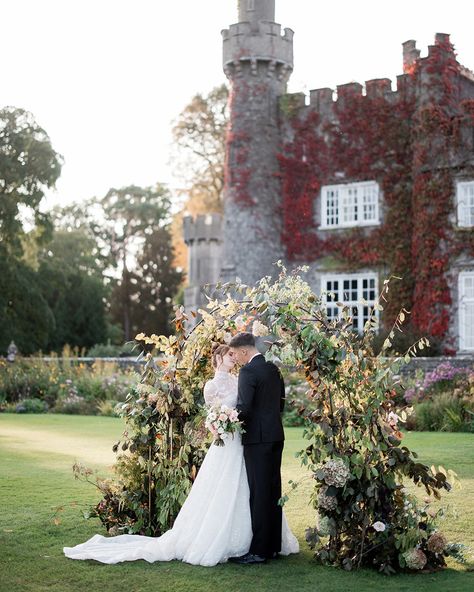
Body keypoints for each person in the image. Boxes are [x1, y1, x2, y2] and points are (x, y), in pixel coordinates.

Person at [63, 344, 298, 566]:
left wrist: (232, 420)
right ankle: (239, 541)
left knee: (253, 490)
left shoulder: (242, 378)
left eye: (234, 354)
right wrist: (219, 423)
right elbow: (212, 414)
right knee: (231, 489)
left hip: (244, 440)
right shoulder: (211, 386)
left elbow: (248, 405)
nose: (233, 358)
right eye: (229, 355)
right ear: (218, 359)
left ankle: (259, 542)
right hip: (229, 442)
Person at [228, 332, 287, 565]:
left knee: (260, 494)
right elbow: (281, 401)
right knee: (273, 491)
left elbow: (244, 409)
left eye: (235, 354)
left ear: (245, 351)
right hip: (275, 436)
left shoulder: (248, 372)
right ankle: (272, 546)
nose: (236, 359)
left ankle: (259, 551)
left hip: (256, 440)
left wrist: (226, 422)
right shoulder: (274, 369)